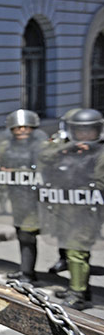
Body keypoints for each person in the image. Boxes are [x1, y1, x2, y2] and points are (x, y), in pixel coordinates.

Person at [39, 108, 104, 310]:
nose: (84, 136)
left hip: (87, 210)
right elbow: (43, 157)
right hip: (65, 207)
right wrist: (63, 149)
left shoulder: (101, 153)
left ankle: (78, 295)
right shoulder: (67, 148)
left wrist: (82, 188)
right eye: (79, 131)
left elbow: (100, 184)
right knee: (69, 249)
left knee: (77, 251)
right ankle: (80, 288)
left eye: (89, 131)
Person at [0, 109, 45, 283]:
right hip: (16, 196)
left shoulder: (41, 146)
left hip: (35, 198)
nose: (22, 131)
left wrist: (15, 172)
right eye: (18, 128)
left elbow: (44, 170)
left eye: (26, 127)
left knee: (27, 234)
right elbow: (0, 165)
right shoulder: (6, 146)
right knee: (21, 232)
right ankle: (26, 270)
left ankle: (28, 273)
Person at [46, 108, 81, 275]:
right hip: (61, 192)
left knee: (81, 238)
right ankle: (63, 258)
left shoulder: (96, 143)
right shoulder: (59, 141)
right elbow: (44, 156)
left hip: (84, 196)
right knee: (61, 230)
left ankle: (81, 281)